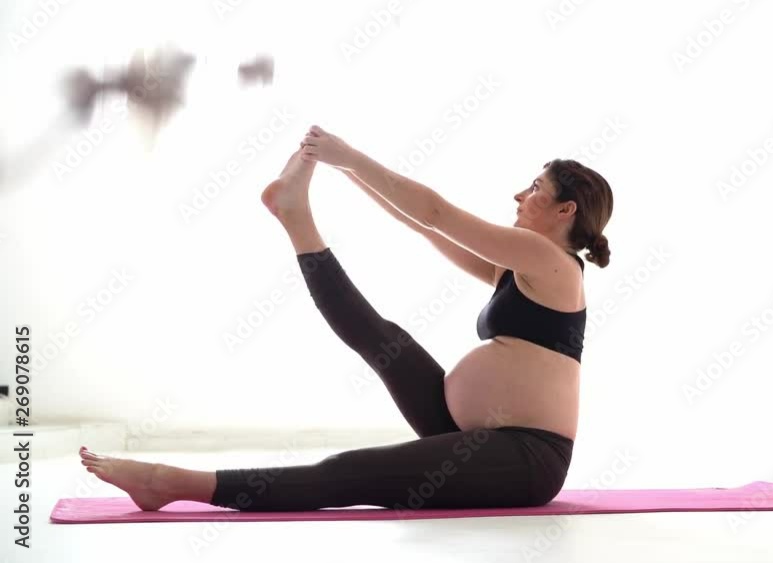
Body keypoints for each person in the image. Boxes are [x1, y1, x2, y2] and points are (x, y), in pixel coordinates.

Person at [78, 125, 614, 512]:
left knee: (353, 472)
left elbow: (436, 213)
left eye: (535, 189)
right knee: (383, 338)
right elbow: (423, 225)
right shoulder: (521, 265)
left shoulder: (550, 260)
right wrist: (346, 170)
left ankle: (168, 482)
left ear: (565, 211)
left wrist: (351, 156)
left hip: (526, 457)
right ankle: (295, 214)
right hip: (475, 433)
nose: (519, 195)